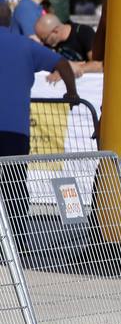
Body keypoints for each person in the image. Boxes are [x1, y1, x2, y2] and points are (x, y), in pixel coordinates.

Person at [0, 23, 77, 226]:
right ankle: (17, 238)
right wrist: (72, 92)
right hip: (15, 131)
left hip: (14, 130)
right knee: (14, 187)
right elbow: (62, 63)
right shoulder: (24, 45)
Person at [34, 12, 101, 78]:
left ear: (56, 31)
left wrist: (72, 68)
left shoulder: (84, 33)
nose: (42, 43)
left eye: (44, 39)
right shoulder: (48, 44)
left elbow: (99, 64)